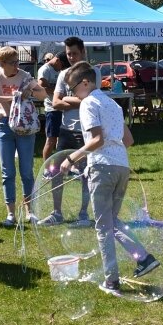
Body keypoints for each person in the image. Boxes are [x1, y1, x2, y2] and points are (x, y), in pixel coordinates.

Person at [60, 62, 160, 293]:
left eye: (72, 88)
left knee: (103, 225)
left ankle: (112, 280)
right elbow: (128, 139)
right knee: (112, 221)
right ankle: (144, 259)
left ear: (85, 83)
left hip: (103, 167)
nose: (72, 94)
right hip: (121, 166)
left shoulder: (88, 104)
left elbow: (96, 140)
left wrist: (71, 159)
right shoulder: (112, 103)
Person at [0, 46, 46, 226]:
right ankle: (10, 214)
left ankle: (29, 211)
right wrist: (11, 99)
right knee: (7, 172)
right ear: (2, 63)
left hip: (23, 126)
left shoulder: (24, 75)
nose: (17, 65)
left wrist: (30, 92)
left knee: (26, 171)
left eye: (18, 61)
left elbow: (43, 94)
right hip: (3, 125)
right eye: (13, 62)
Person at [39, 37, 100, 227]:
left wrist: (70, 100)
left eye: (74, 53)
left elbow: (92, 100)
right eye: (68, 54)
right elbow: (56, 102)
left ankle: (83, 213)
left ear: (83, 52)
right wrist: (78, 99)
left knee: (85, 173)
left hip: (86, 131)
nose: (71, 57)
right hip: (66, 130)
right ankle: (56, 213)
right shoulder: (63, 74)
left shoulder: (93, 72)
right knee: (57, 170)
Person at [38, 52, 70, 162]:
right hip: (52, 109)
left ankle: (59, 164)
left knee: (62, 139)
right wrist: (59, 91)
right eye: (62, 65)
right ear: (57, 61)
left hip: (62, 108)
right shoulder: (45, 70)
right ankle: (46, 168)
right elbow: (42, 87)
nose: (62, 68)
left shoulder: (59, 70)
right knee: (51, 139)